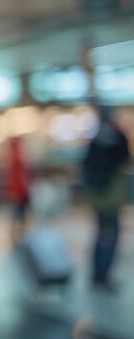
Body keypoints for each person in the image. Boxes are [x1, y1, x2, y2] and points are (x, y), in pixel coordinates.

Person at [82, 105, 130, 292]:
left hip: (96, 198)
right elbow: (125, 159)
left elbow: (85, 164)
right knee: (111, 235)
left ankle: (97, 273)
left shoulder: (94, 140)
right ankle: (103, 274)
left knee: (100, 234)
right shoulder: (117, 139)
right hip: (111, 197)